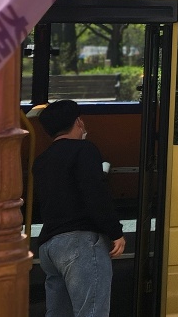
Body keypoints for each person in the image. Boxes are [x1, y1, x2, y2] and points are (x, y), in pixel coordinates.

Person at [33, 100, 125, 317]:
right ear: (78, 122)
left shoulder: (41, 161)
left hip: (49, 248)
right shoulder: (84, 149)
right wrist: (115, 232)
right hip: (80, 245)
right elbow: (95, 193)